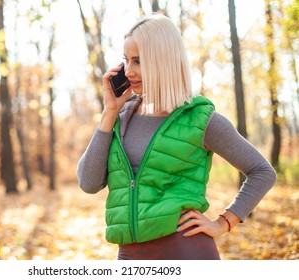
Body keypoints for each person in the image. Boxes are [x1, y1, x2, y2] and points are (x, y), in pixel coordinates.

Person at [76, 13, 276, 260]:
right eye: (126, 60)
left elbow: (262, 171)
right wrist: (109, 112)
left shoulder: (200, 119)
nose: (128, 71)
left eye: (138, 61)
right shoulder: (122, 115)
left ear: (164, 61)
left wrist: (224, 222)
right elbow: (88, 182)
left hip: (184, 251)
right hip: (128, 254)